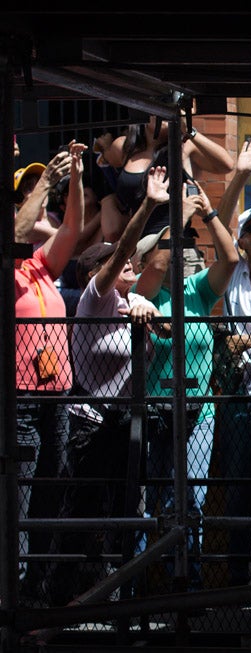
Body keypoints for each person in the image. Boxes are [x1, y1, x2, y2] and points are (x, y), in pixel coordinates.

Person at [45, 166, 170, 606]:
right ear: (99, 271)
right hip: (91, 425)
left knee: (124, 511)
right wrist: (151, 203)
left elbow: (168, 327)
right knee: (84, 512)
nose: (131, 265)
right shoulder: (96, 300)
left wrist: (149, 314)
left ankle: (118, 600)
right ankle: (65, 597)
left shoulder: (131, 301)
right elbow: (122, 253)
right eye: (119, 264)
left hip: (126, 426)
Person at [132, 176, 239, 592]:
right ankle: (135, 583)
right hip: (155, 410)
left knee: (190, 499)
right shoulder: (147, 294)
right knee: (148, 499)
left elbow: (229, 259)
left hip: (200, 412)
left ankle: (188, 581)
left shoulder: (195, 291)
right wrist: (178, 215)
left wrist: (209, 212)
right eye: (176, 246)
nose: (183, 253)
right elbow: (158, 263)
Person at [13, 141, 85, 601]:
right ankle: (14, 589)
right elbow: (19, 229)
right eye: (32, 196)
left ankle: (37, 585)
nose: (44, 207)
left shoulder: (41, 266)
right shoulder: (10, 263)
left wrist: (74, 180)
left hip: (54, 393)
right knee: (20, 491)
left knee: (50, 487)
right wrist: (42, 184)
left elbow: (74, 229)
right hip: (18, 395)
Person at [212, 137, 251, 589]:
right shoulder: (233, 270)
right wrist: (241, 174)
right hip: (238, 397)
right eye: (250, 229)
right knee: (239, 490)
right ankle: (238, 578)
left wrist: (248, 339)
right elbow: (221, 215)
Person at [99, 112, 234, 241]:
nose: (164, 115)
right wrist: (103, 149)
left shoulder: (185, 147)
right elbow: (105, 158)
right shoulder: (125, 146)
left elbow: (226, 165)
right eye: (159, 109)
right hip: (136, 248)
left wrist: (189, 131)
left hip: (175, 247)